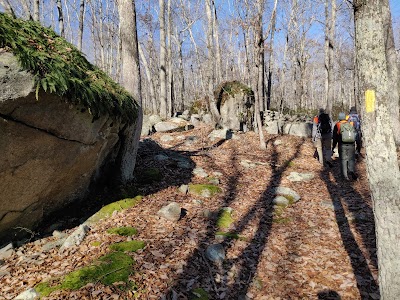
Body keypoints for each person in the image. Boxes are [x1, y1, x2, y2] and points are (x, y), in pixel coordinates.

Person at [332, 112, 357, 180]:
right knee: (351, 159)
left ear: (339, 118)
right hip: (351, 144)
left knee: (343, 159)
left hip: (342, 144)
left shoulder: (337, 125)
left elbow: (335, 137)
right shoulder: (350, 124)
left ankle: (345, 176)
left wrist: (333, 147)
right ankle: (351, 171)